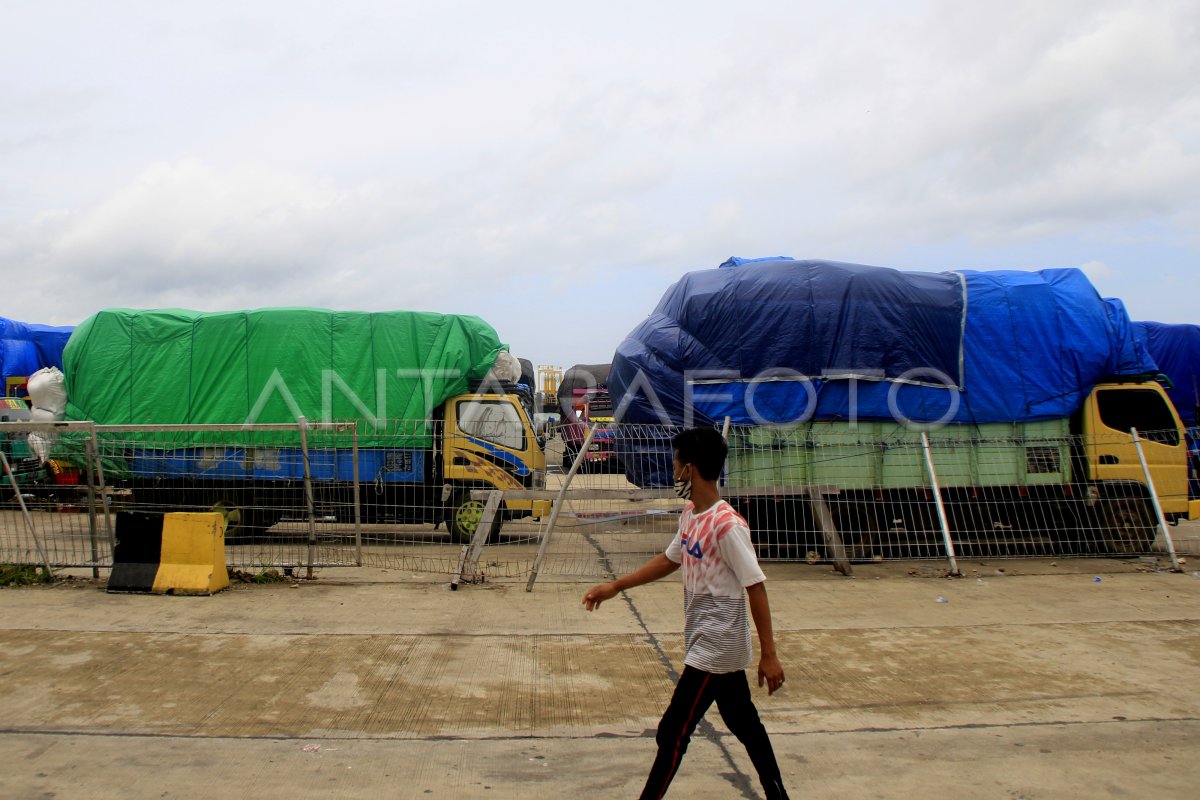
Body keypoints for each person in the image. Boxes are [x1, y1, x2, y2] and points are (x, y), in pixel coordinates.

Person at [583, 427, 789, 799]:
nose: (673, 471)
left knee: (673, 732)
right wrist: (616, 586)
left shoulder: (727, 527)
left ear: (689, 470)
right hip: (705, 641)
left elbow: (755, 586)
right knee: (744, 723)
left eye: (676, 464)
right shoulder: (693, 515)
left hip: (716, 645)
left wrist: (769, 655)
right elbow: (668, 560)